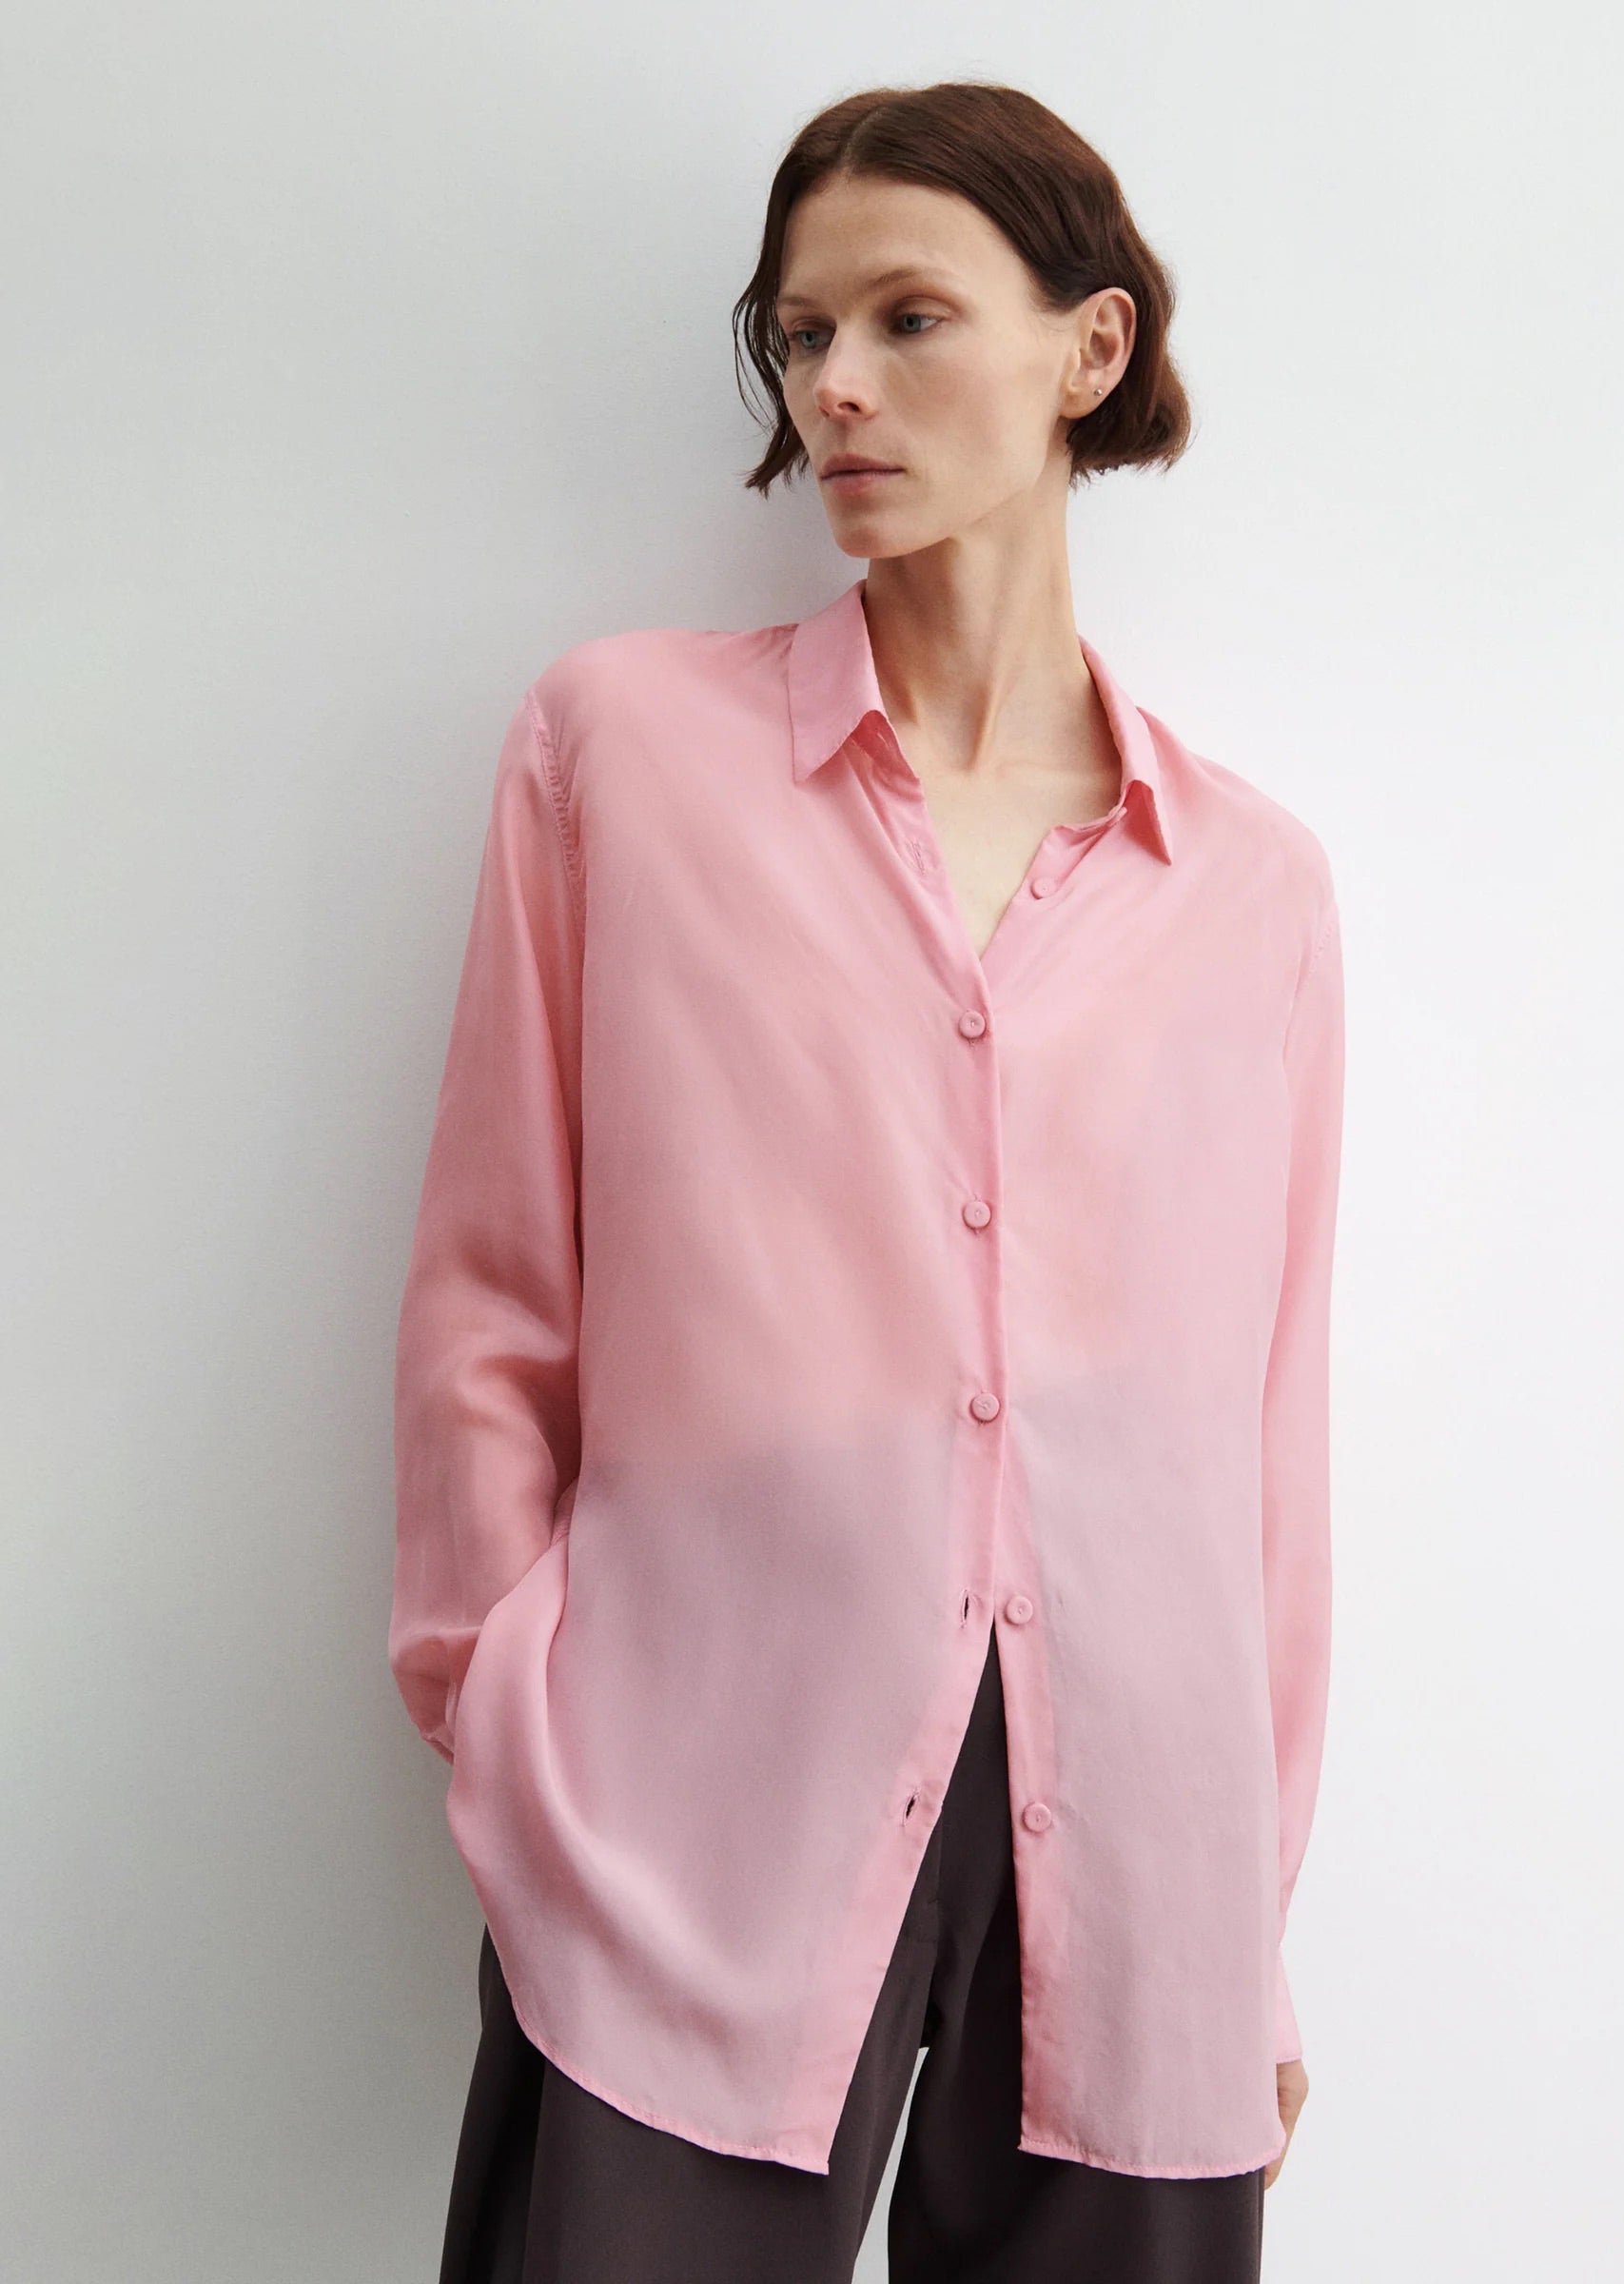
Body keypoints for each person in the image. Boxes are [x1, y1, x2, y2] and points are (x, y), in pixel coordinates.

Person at [390, 79, 1346, 2284]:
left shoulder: (1254, 890)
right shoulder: (628, 754)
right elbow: (493, 1293)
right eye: (800, 333)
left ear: (1089, 348)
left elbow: (1262, 1443)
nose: (834, 385)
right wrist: (504, 1722)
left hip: (1145, 1849)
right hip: (689, 1808)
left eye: (909, 319)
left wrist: (1248, 1925)